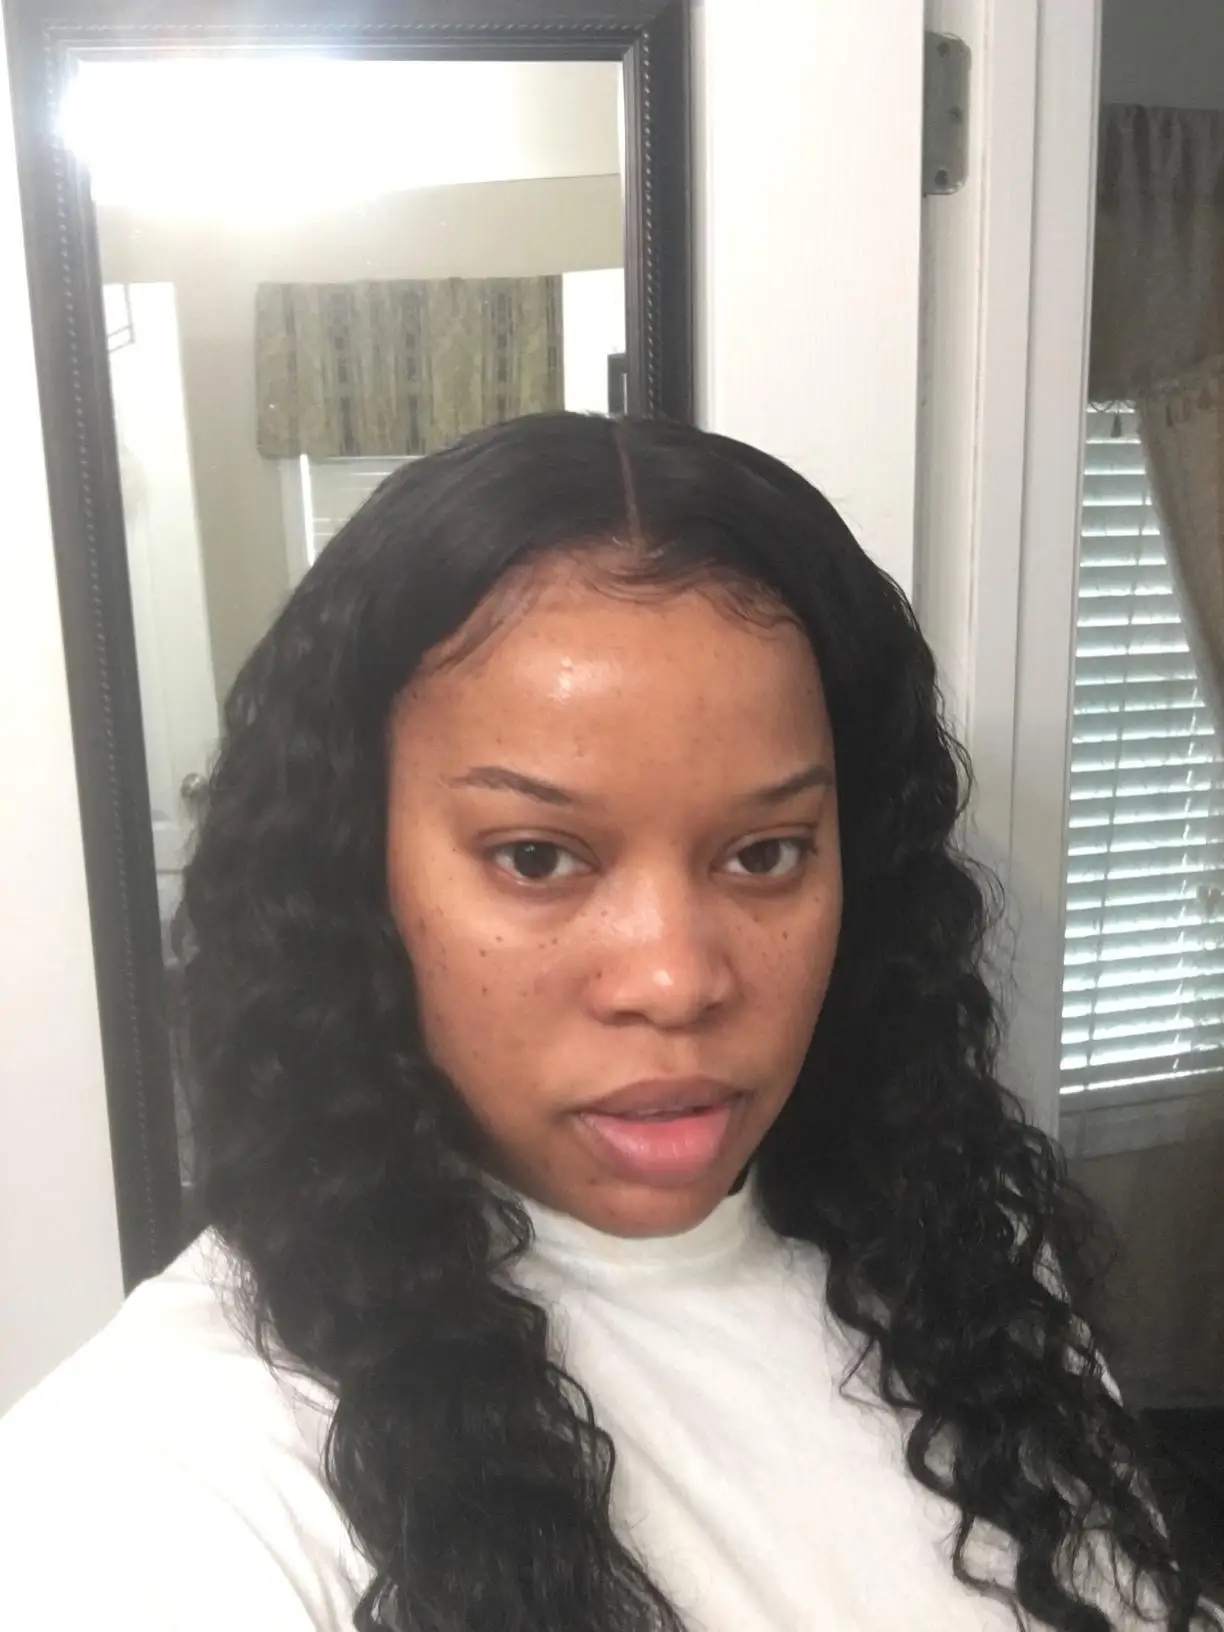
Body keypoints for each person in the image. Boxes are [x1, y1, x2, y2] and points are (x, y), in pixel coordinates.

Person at [0, 413, 1217, 1632]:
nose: (676, 982)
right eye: (537, 857)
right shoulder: (151, 1488)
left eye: (764, 853)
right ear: (355, 873)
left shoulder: (959, 1265)